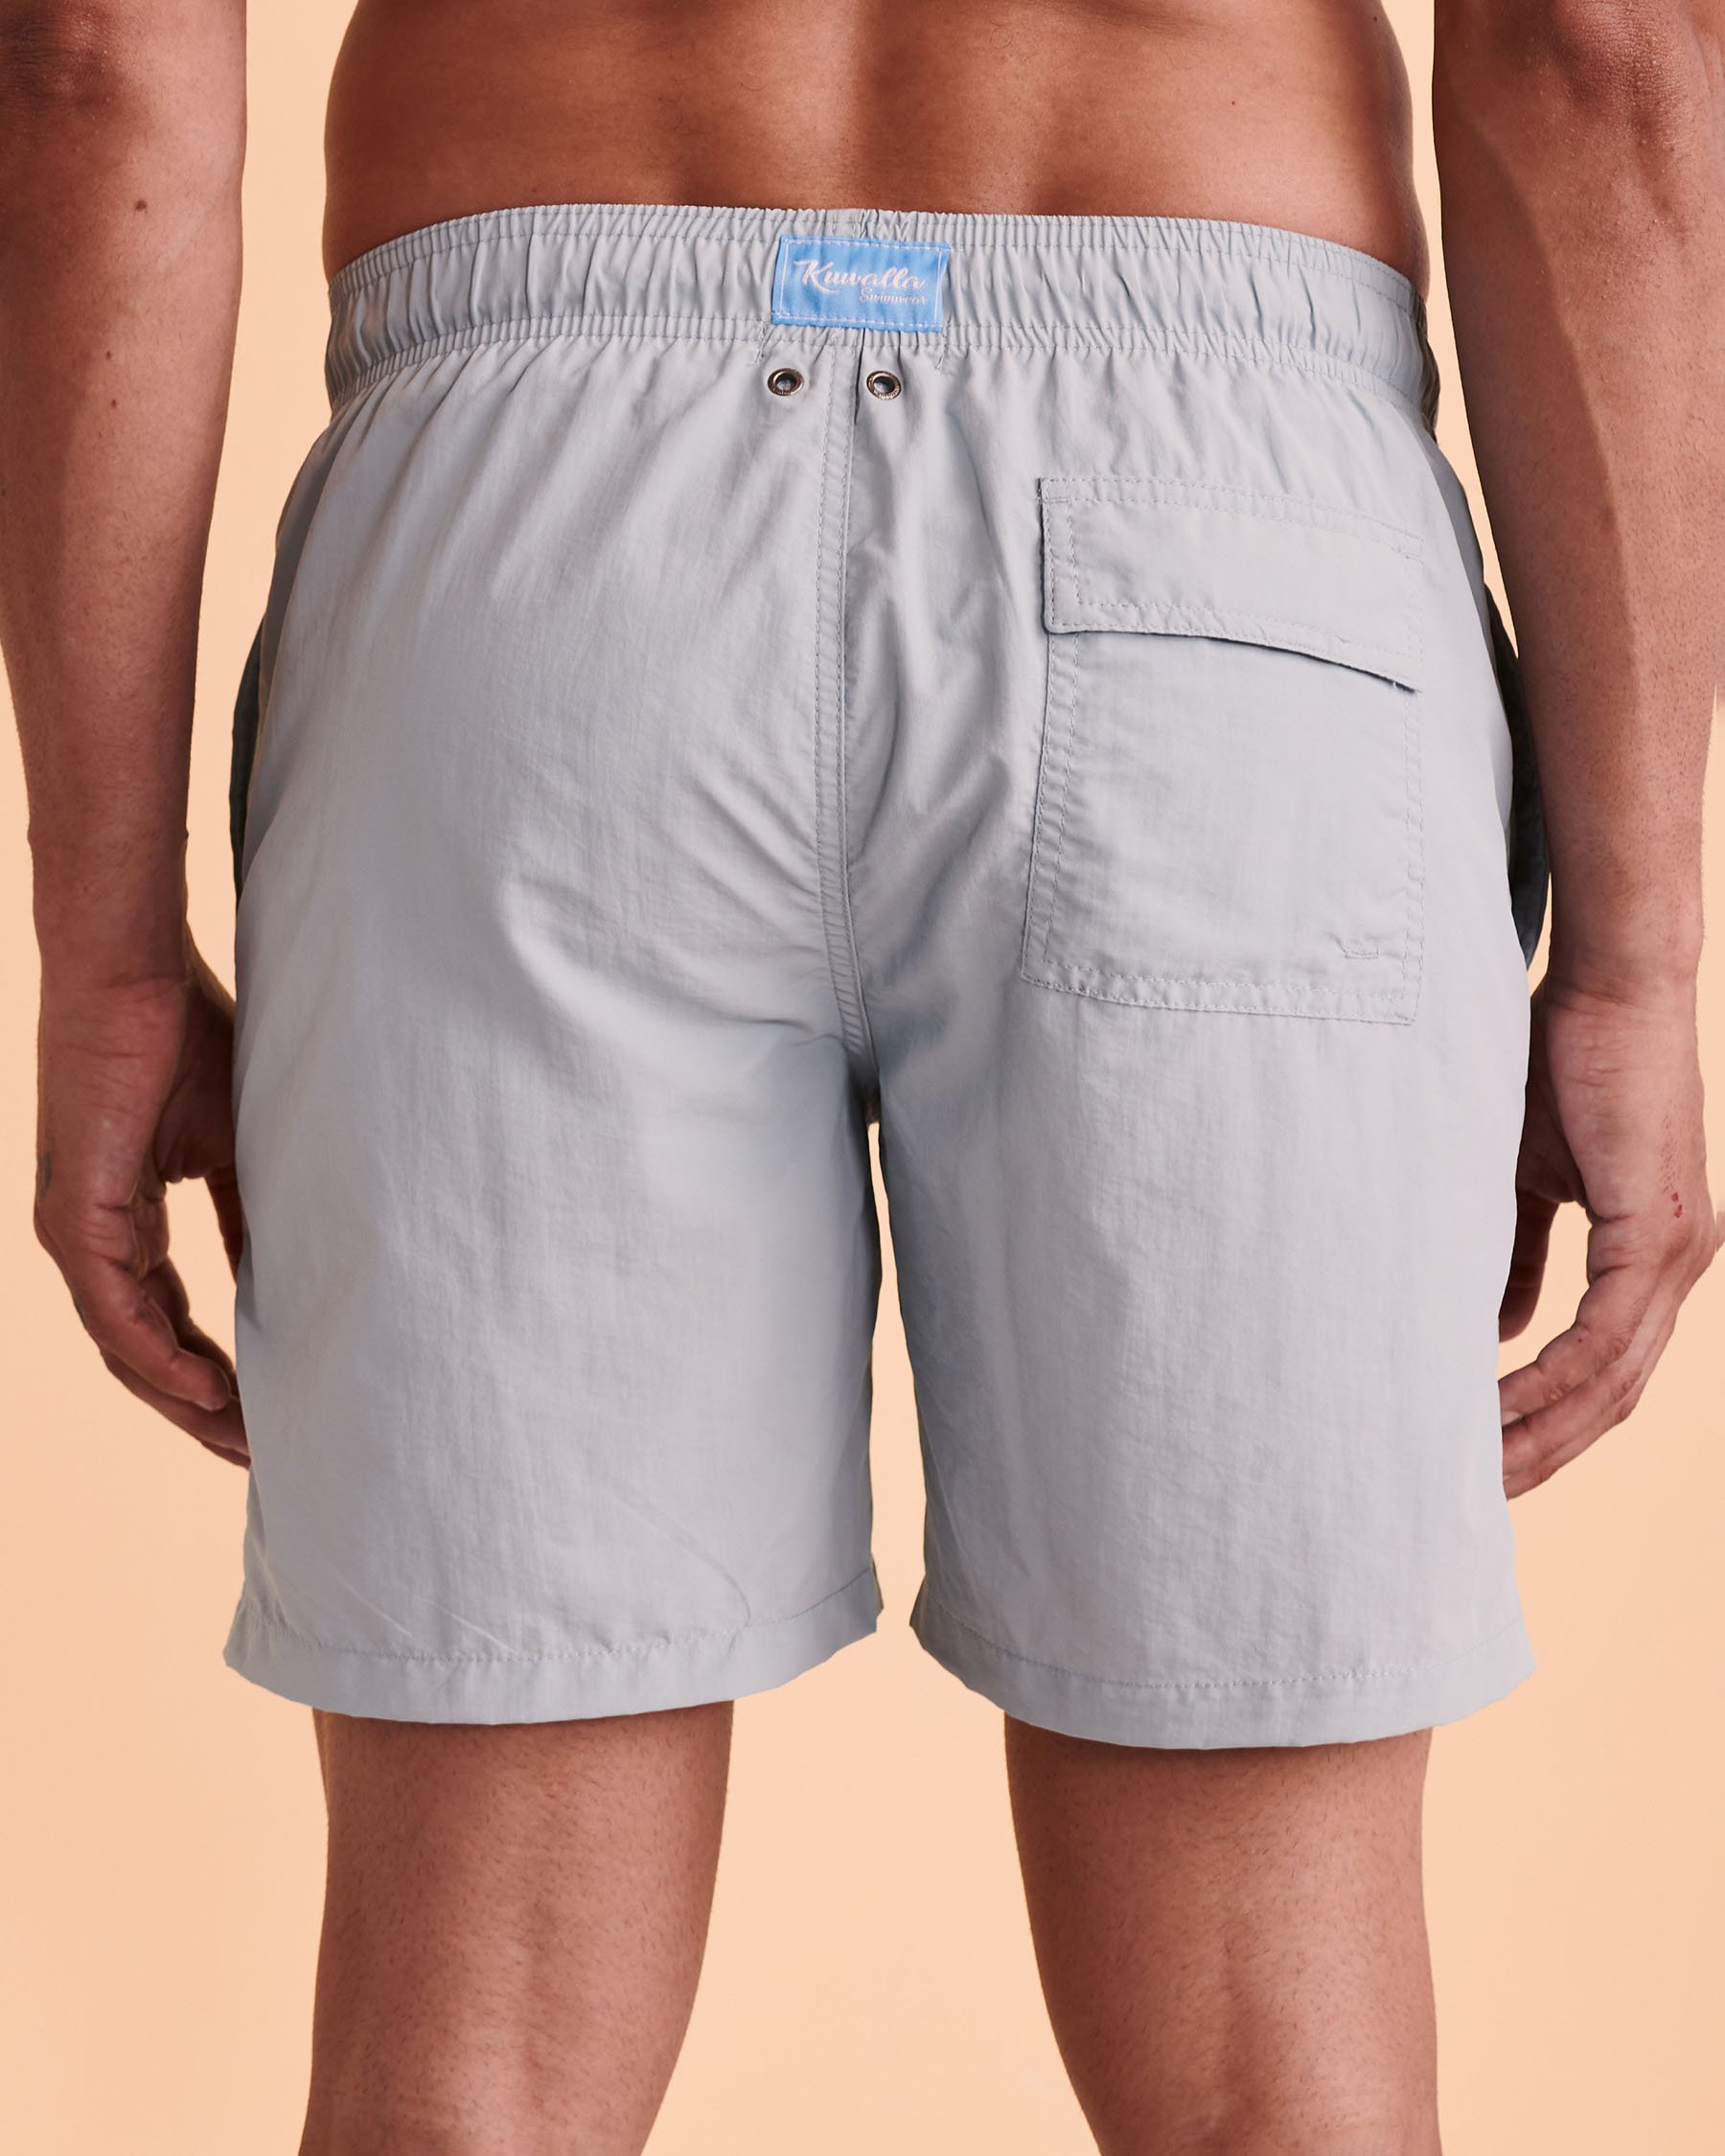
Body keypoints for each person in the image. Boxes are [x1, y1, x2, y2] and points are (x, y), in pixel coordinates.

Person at [4, 0, 1720, 2148]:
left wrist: (101, 939)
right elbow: (1602, 45)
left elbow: (92, 56)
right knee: (1280, 2086)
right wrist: (1637, 961)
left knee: (473, 2076)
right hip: (1219, 523)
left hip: (536, 540)